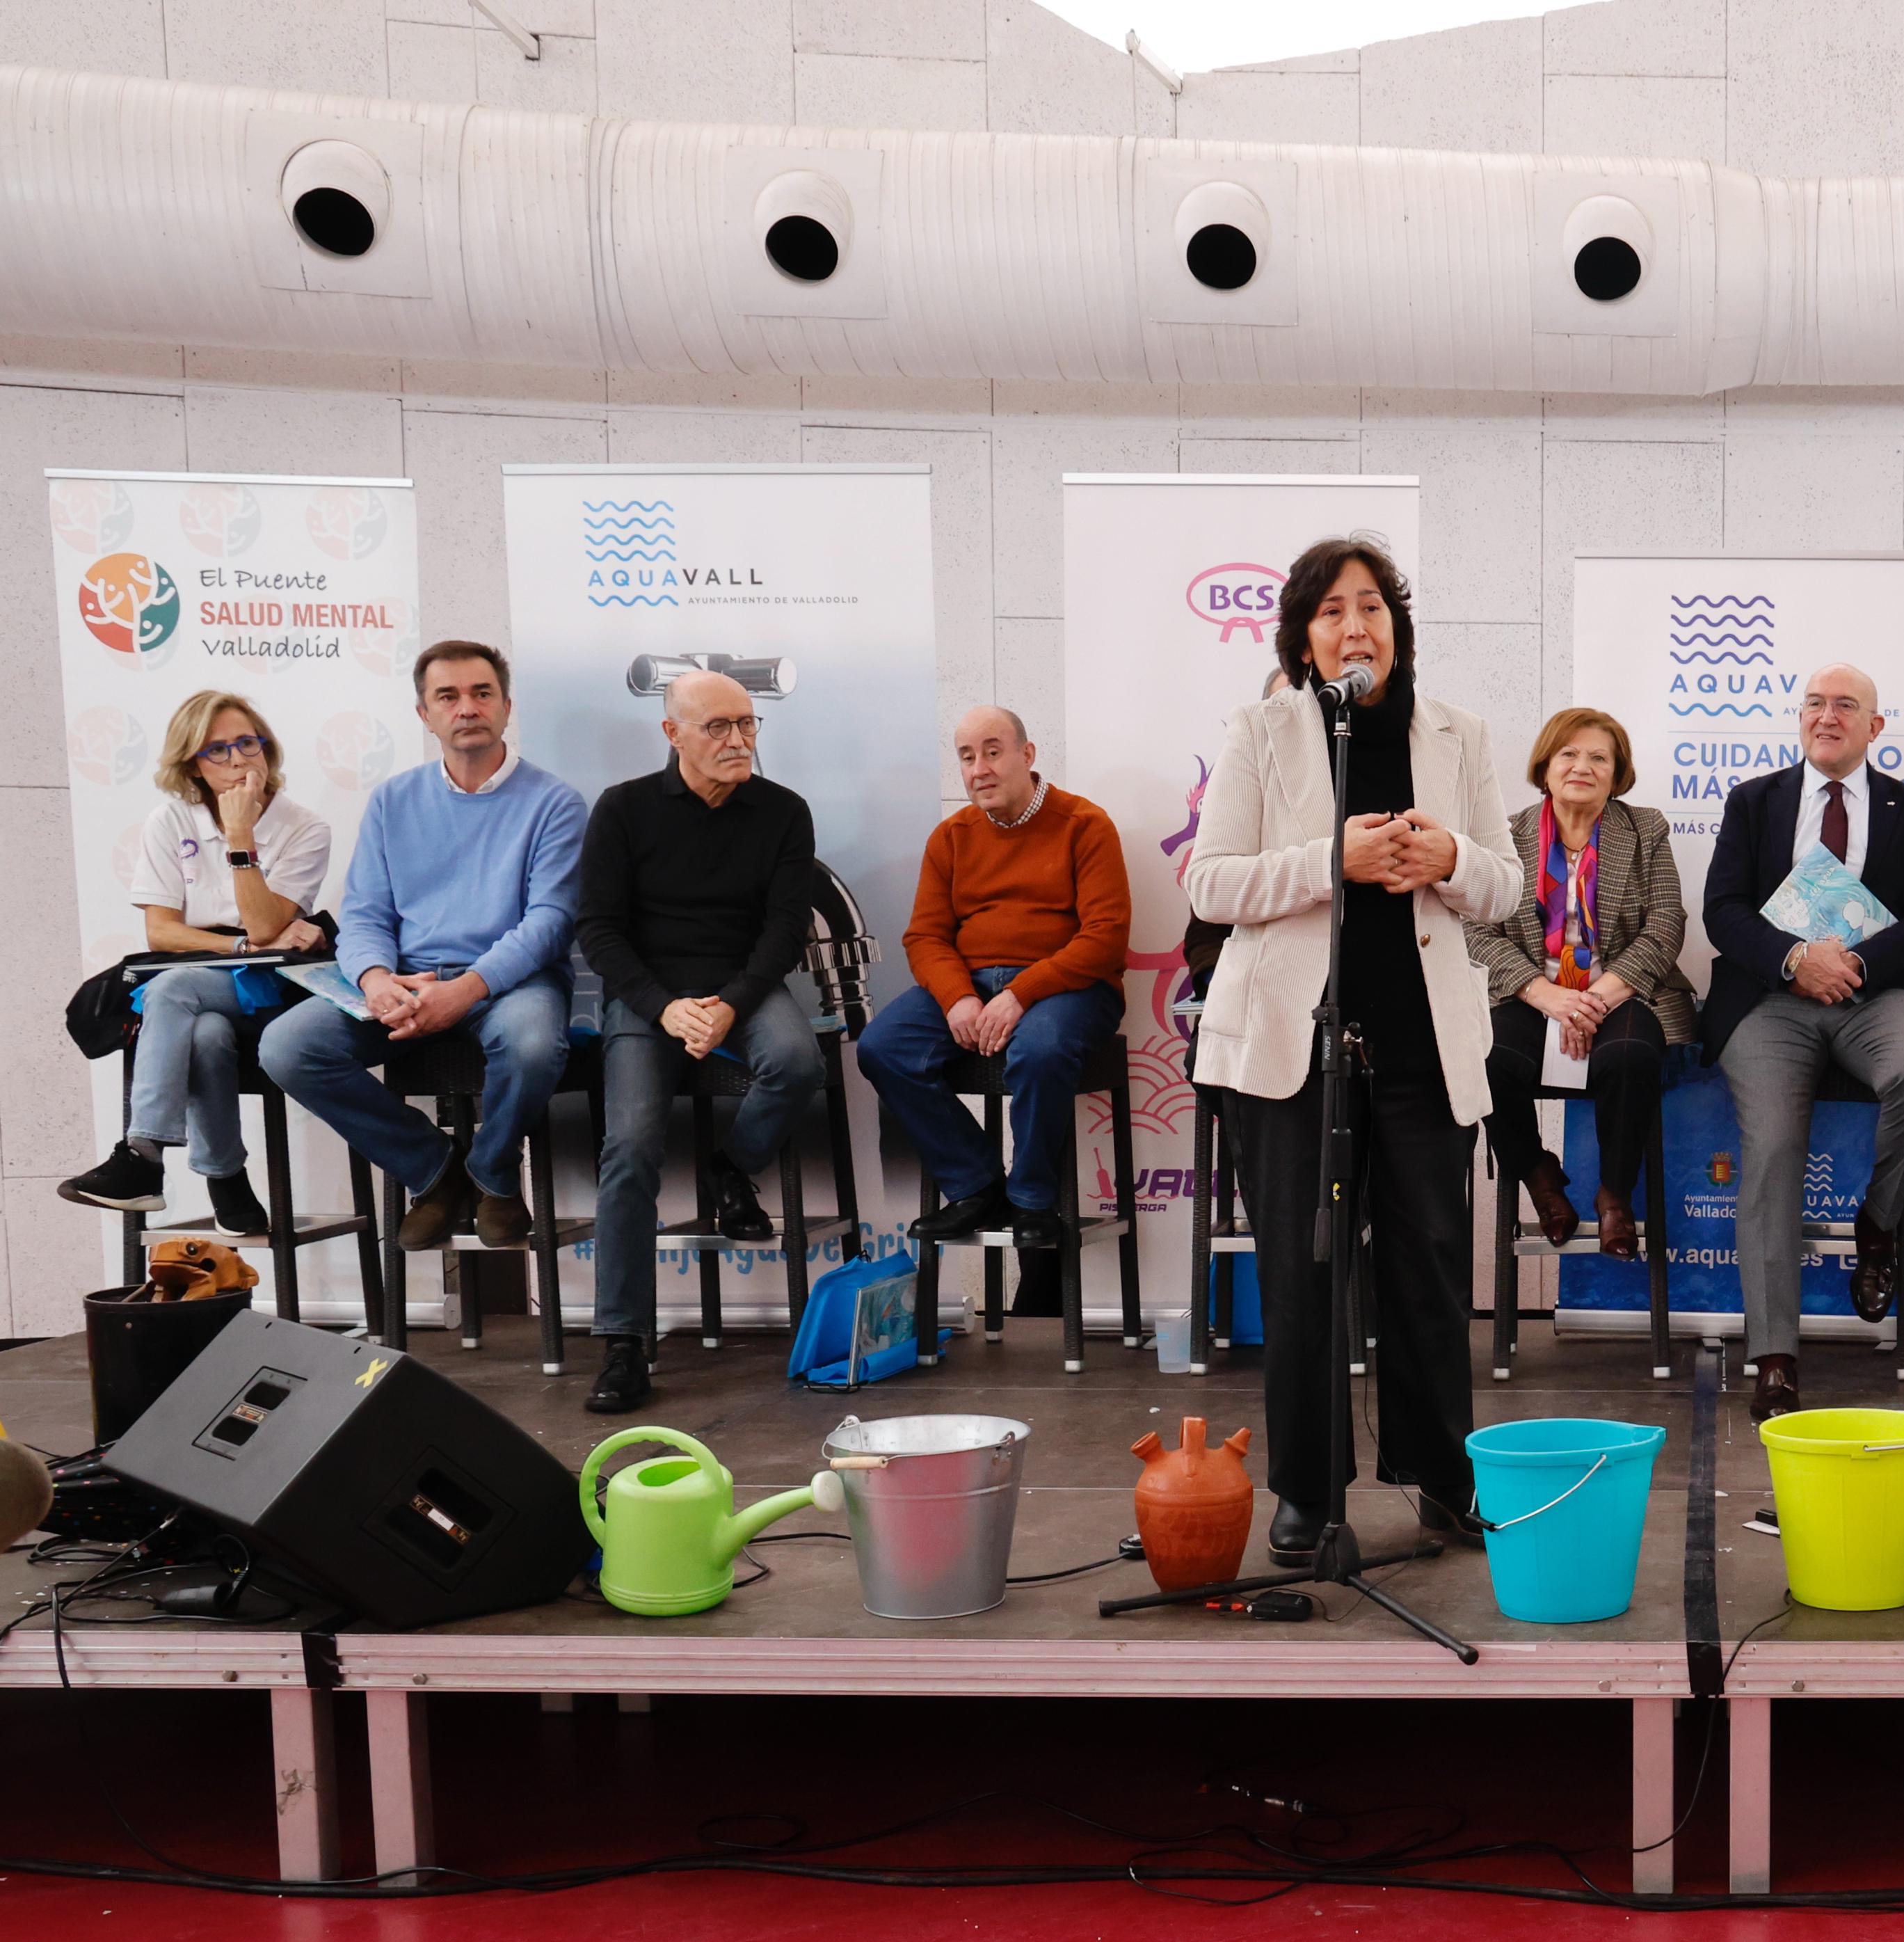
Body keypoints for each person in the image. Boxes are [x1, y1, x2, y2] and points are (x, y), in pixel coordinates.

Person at [1187, 537, 1519, 1557]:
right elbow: (1210, 883)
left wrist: (1451, 856)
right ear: (1303, 641)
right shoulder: (1260, 730)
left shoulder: (1459, 734)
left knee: (1428, 1266)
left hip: (1422, 1044)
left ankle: (1443, 1476)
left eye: (1371, 606)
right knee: (1301, 1275)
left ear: (1396, 630)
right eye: (1331, 611)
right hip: (1293, 1052)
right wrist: (1329, 860)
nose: (1354, 626)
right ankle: (1306, 1488)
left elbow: (1507, 886)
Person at [262, 640, 586, 1252]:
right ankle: (434, 1170)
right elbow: (364, 913)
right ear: (425, 714)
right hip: (407, 980)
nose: (467, 708)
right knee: (288, 1046)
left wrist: (466, 990)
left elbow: (550, 921)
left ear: (506, 707)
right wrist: (375, 980)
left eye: (482, 693)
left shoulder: (556, 803)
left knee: (534, 1045)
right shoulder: (392, 801)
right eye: (448, 696)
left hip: (509, 984)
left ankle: (493, 1174)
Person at [1703, 664, 1904, 1419]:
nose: (1827, 716)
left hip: (1875, 994)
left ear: (1874, 727)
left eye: (1846, 705)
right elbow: (1722, 910)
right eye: (1814, 703)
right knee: (1775, 1147)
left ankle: (1878, 1221)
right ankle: (1775, 1359)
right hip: (1770, 1001)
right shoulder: (1753, 802)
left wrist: (1856, 963)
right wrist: (1794, 960)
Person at [570, 671, 825, 1415]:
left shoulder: (783, 811)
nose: (738, 740)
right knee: (630, 1145)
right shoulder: (623, 809)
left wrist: (731, 1004)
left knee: (796, 1062)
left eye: (746, 723)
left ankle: (729, 1169)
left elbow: (786, 929)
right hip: (649, 996)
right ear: (672, 734)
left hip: (743, 988)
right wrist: (664, 1008)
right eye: (717, 726)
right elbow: (598, 930)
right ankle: (624, 1342)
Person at [858, 708, 1132, 1255]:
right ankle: (976, 1185)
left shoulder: (1085, 824)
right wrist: (958, 998)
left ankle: (1032, 1199)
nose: (979, 769)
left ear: (1027, 756)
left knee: (1041, 1049)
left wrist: (1020, 994)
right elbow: (925, 937)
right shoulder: (951, 836)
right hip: (973, 980)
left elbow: (1105, 937)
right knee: (882, 1048)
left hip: (1070, 986)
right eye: (967, 757)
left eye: (992, 751)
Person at [61, 689, 333, 1232]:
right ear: (193, 765)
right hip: (207, 978)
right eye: (218, 750)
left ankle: (141, 1157)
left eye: (248, 743)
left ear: (266, 748)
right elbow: (161, 931)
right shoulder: (170, 821)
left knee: (171, 989)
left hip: (273, 986)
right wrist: (235, 946)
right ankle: (226, 1178)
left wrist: (240, 836)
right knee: (206, 1033)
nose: (238, 761)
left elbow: (264, 927)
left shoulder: (305, 828)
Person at [1469, 707, 1694, 1261]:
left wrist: (1590, 1001)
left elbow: (1667, 923)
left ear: (1617, 775)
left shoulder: (1645, 830)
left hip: (1622, 990)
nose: (1582, 767)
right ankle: (1540, 1177)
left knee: (1632, 1058)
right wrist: (1546, 995)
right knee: (1485, 1059)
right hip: (1531, 993)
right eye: (1568, 754)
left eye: (1599, 758)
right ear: (1545, 767)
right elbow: (1475, 932)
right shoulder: (1505, 837)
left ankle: (1615, 1194)